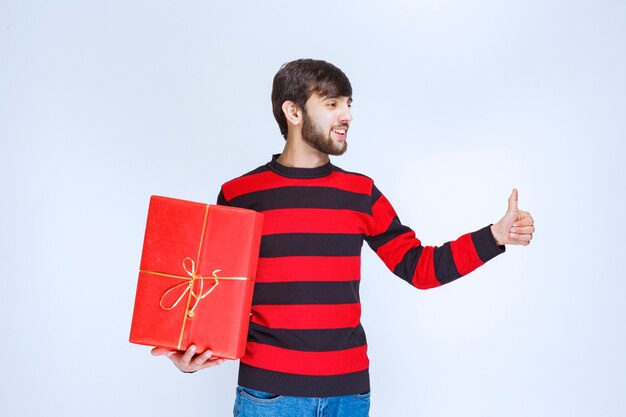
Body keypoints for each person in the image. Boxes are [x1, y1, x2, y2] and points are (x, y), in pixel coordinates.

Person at [151, 59, 535, 417]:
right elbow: (209, 291)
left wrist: (494, 237)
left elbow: (420, 268)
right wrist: (187, 352)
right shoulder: (240, 195)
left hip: (349, 396)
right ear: (294, 112)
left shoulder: (361, 193)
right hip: (267, 396)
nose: (347, 116)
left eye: (348, 104)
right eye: (332, 103)